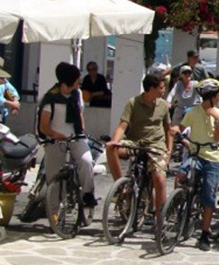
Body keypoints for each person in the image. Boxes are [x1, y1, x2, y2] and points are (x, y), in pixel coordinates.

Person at [106, 72, 172, 218]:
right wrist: (114, 142)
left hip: (156, 146)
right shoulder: (133, 103)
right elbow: (123, 126)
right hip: (135, 142)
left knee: (159, 179)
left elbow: (169, 130)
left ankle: (161, 219)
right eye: (160, 88)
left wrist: (169, 151)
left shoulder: (163, 106)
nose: (163, 91)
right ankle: (120, 186)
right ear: (151, 89)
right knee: (110, 149)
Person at [38, 62, 97, 209]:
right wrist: (56, 135)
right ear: (68, 81)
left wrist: (81, 131)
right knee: (54, 178)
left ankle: (87, 194)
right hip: (55, 140)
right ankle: (54, 212)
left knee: (86, 161)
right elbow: (43, 126)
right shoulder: (50, 99)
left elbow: (80, 114)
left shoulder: (77, 95)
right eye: (77, 79)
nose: (80, 81)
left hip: (75, 137)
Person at [179, 79, 219, 251]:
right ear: (211, 97)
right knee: (181, 173)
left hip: (213, 157)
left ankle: (205, 234)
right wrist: (182, 139)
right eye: (218, 95)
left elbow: (218, 138)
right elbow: (181, 128)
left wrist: (216, 121)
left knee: (209, 194)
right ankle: (180, 202)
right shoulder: (193, 112)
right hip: (195, 153)